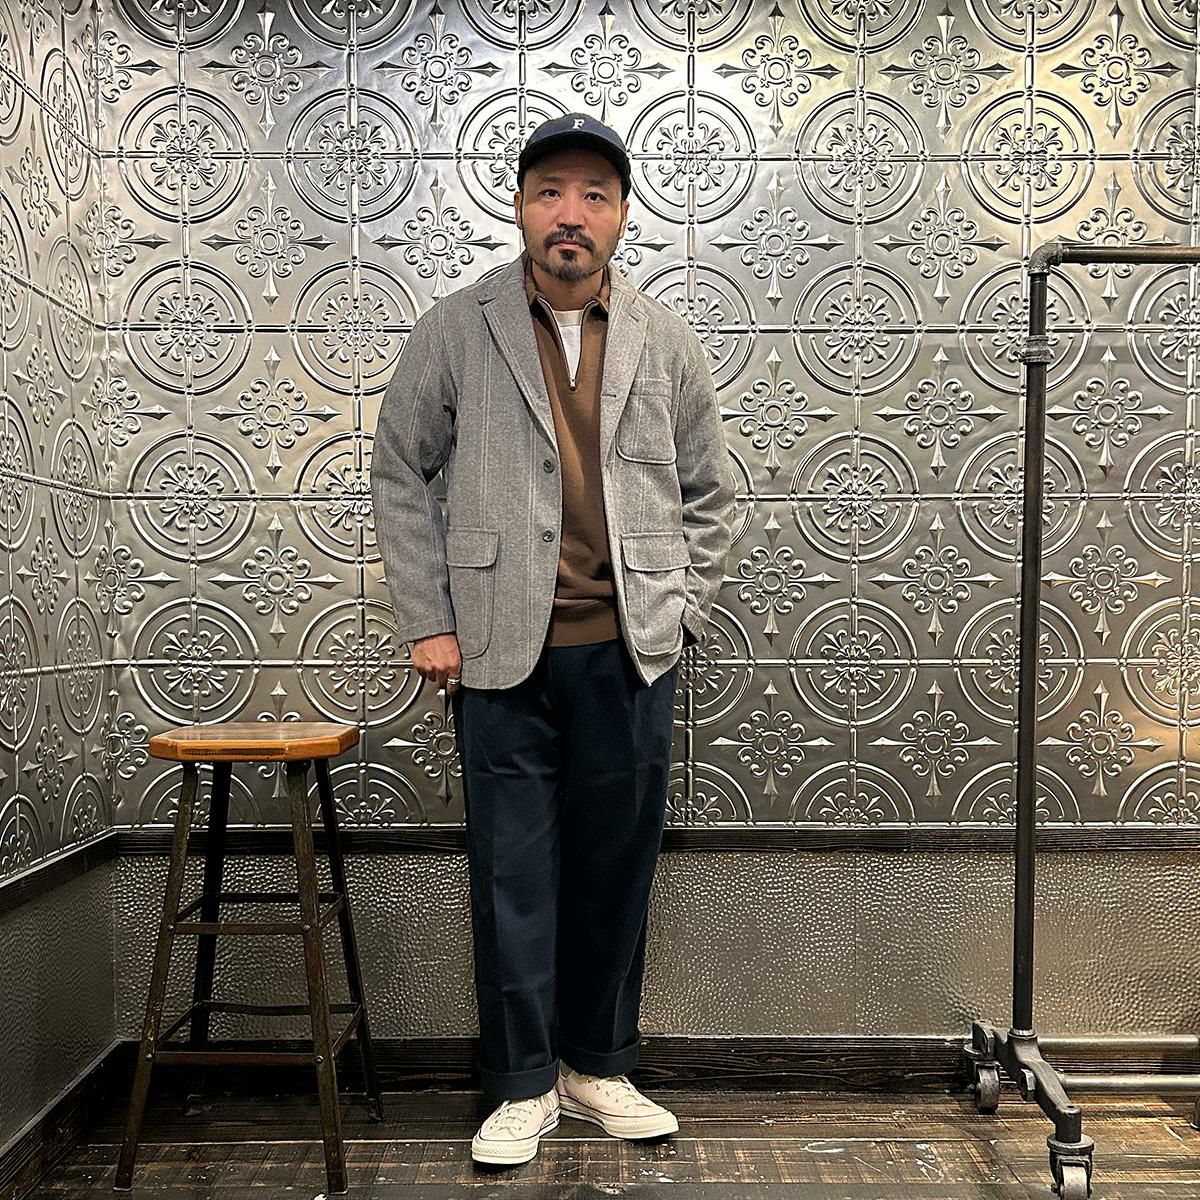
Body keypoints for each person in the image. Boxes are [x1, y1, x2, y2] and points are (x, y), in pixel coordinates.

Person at [371, 112, 735, 1167]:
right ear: (521, 208)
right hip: (496, 648)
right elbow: (399, 469)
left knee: (617, 867)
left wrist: (681, 610)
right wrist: (430, 618)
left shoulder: (665, 337)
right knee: (511, 871)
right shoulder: (458, 325)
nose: (569, 214)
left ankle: (597, 1065)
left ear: (620, 215)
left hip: (630, 650)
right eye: (549, 192)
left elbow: (711, 493)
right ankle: (522, 1083)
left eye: (593, 195)